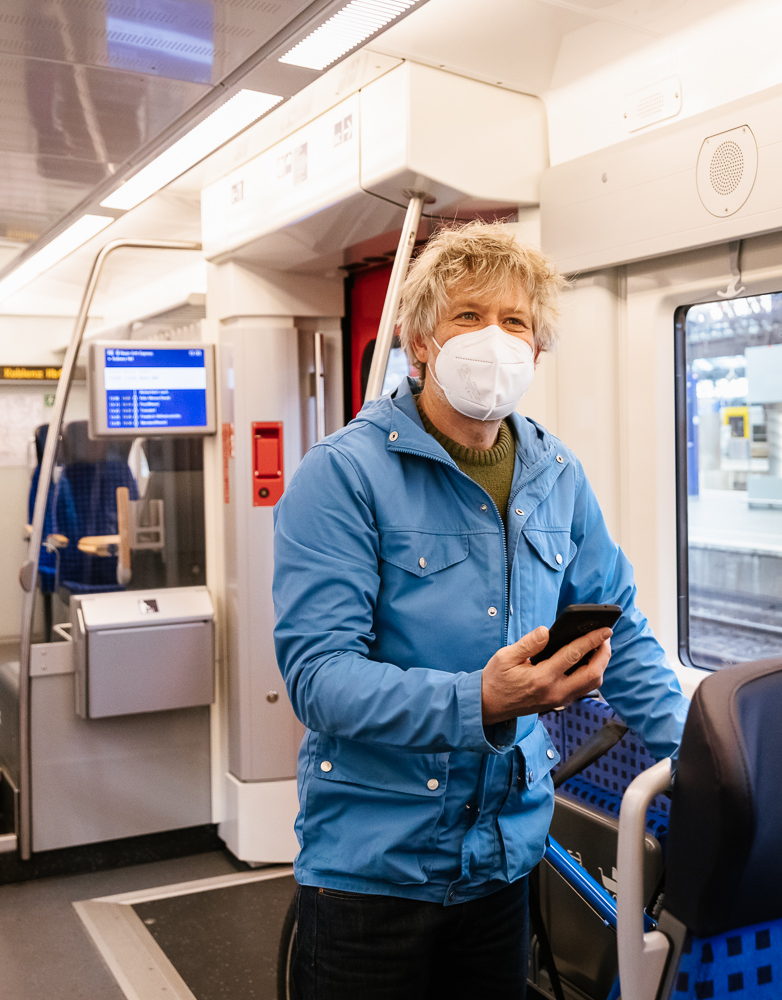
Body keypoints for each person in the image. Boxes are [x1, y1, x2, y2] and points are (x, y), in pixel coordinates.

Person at [272, 221, 689, 999]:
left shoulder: (556, 475)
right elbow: (318, 679)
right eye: (468, 315)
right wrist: (480, 701)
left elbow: (618, 627)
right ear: (419, 340)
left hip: (503, 861)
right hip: (373, 869)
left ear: (535, 352)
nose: (493, 338)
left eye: (515, 321)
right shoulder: (343, 476)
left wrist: (701, 761)